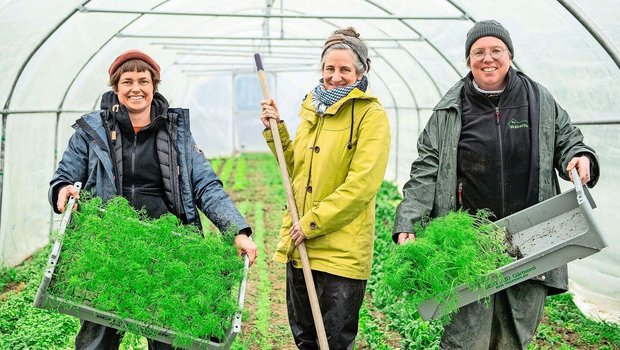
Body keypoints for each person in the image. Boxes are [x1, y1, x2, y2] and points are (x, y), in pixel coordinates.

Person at [393, 20, 600, 350]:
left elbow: (566, 138)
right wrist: (409, 222)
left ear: (510, 55)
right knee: (465, 334)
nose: (487, 59)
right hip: (466, 241)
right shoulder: (449, 111)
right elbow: (425, 172)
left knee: (515, 332)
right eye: (478, 52)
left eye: (496, 50)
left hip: (531, 234)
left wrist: (578, 155)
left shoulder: (538, 99)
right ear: (468, 60)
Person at [49, 49, 257, 350]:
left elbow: (206, 185)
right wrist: (62, 189)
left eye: (143, 81)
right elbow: (65, 174)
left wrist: (237, 230)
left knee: (168, 335)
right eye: (127, 81)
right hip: (106, 246)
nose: (136, 88)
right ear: (115, 87)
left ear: (154, 86)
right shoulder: (90, 131)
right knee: (98, 337)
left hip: (165, 247)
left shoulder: (176, 133)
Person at [259, 27, 391, 349]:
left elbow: (361, 186)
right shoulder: (312, 110)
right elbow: (298, 172)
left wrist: (311, 223)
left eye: (345, 69)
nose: (335, 76)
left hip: (340, 255)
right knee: (305, 340)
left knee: (333, 343)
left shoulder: (370, 116)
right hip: (301, 248)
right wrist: (277, 131)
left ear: (360, 72)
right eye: (329, 68)